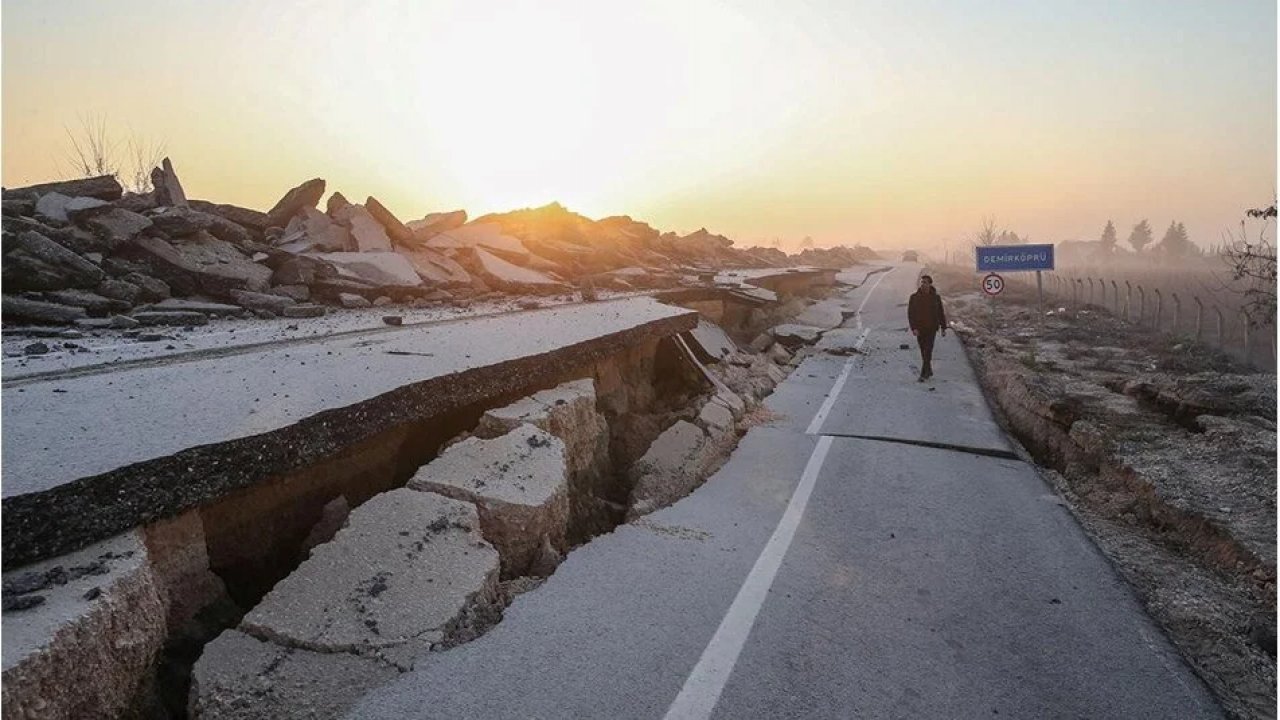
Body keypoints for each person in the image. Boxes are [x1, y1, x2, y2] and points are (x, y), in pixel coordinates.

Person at [907, 274, 947, 381]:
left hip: (931, 328)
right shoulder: (914, 297)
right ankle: (928, 369)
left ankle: (923, 373)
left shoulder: (936, 298)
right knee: (923, 350)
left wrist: (944, 327)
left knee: (928, 350)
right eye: (922, 282)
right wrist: (913, 328)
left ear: (930, 284)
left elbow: (940, 313)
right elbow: (911, 314)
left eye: (925, 282)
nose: (923, 284)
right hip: (920, 329)